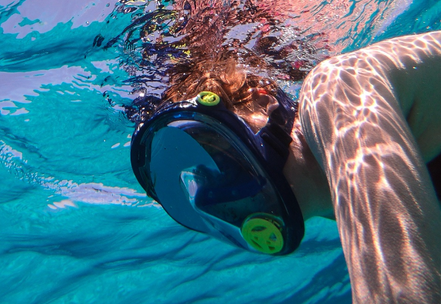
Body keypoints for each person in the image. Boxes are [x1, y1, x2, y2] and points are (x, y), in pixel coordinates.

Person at [130, 31, 441, 303]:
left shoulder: (336, 89)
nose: (205, 196)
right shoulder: (347, 200)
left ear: (262, 102)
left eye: (212, 145)